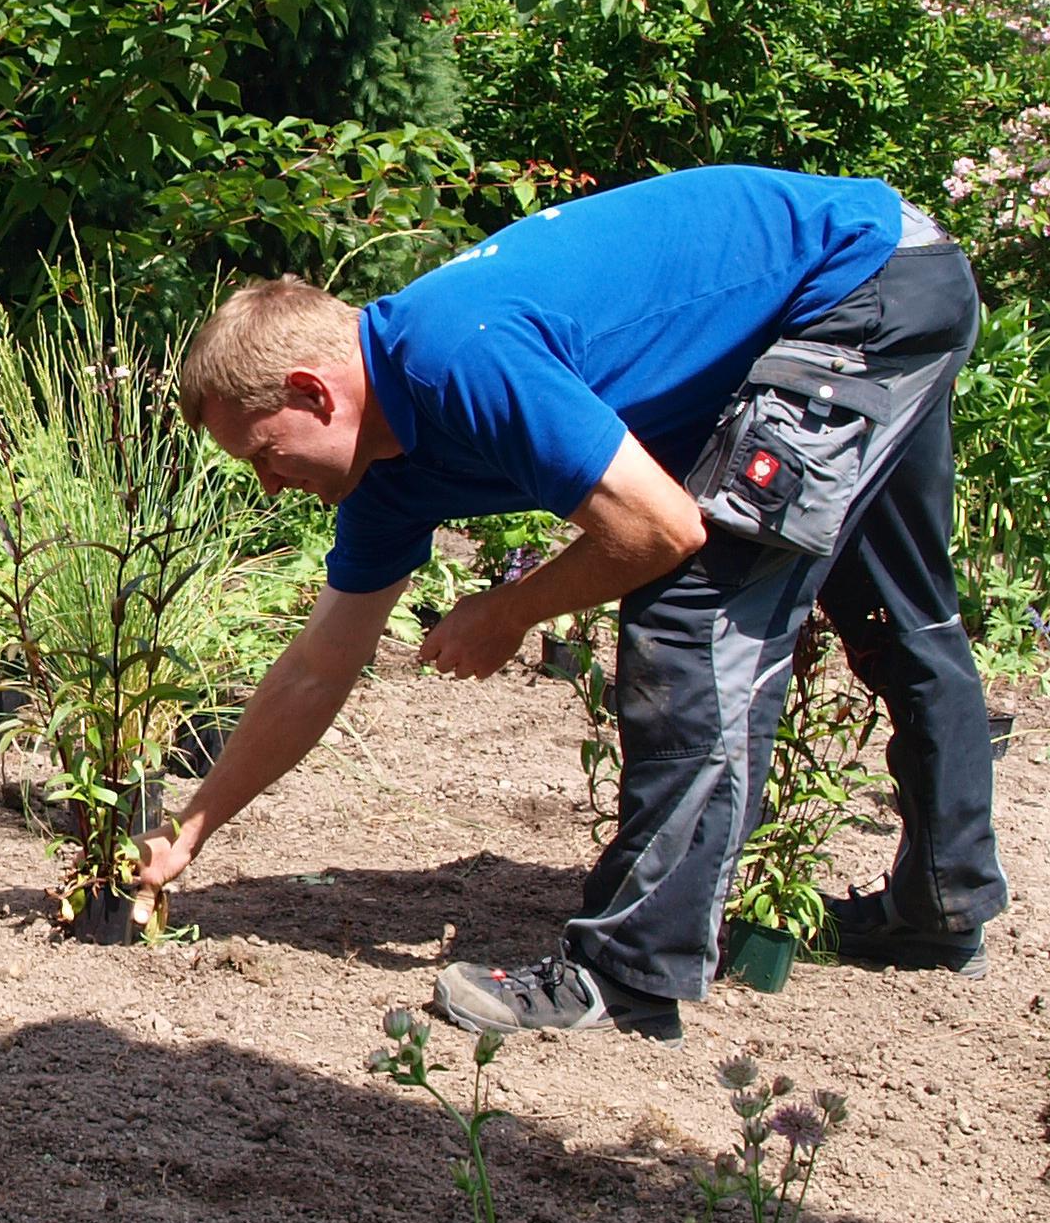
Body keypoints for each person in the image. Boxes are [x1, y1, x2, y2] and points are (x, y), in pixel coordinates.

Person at [127, 164, 1003, 1044]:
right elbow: (319, 666)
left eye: (264, 453)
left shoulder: (453, 354)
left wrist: (512, 609)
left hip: (856, 289)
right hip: (883, 271)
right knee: (895, 609)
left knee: (692, 612)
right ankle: (942, 902)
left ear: (315, 392)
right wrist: (194, 827)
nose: (268, 483)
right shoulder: (385, 475)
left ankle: (626, 974)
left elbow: (660, 530)